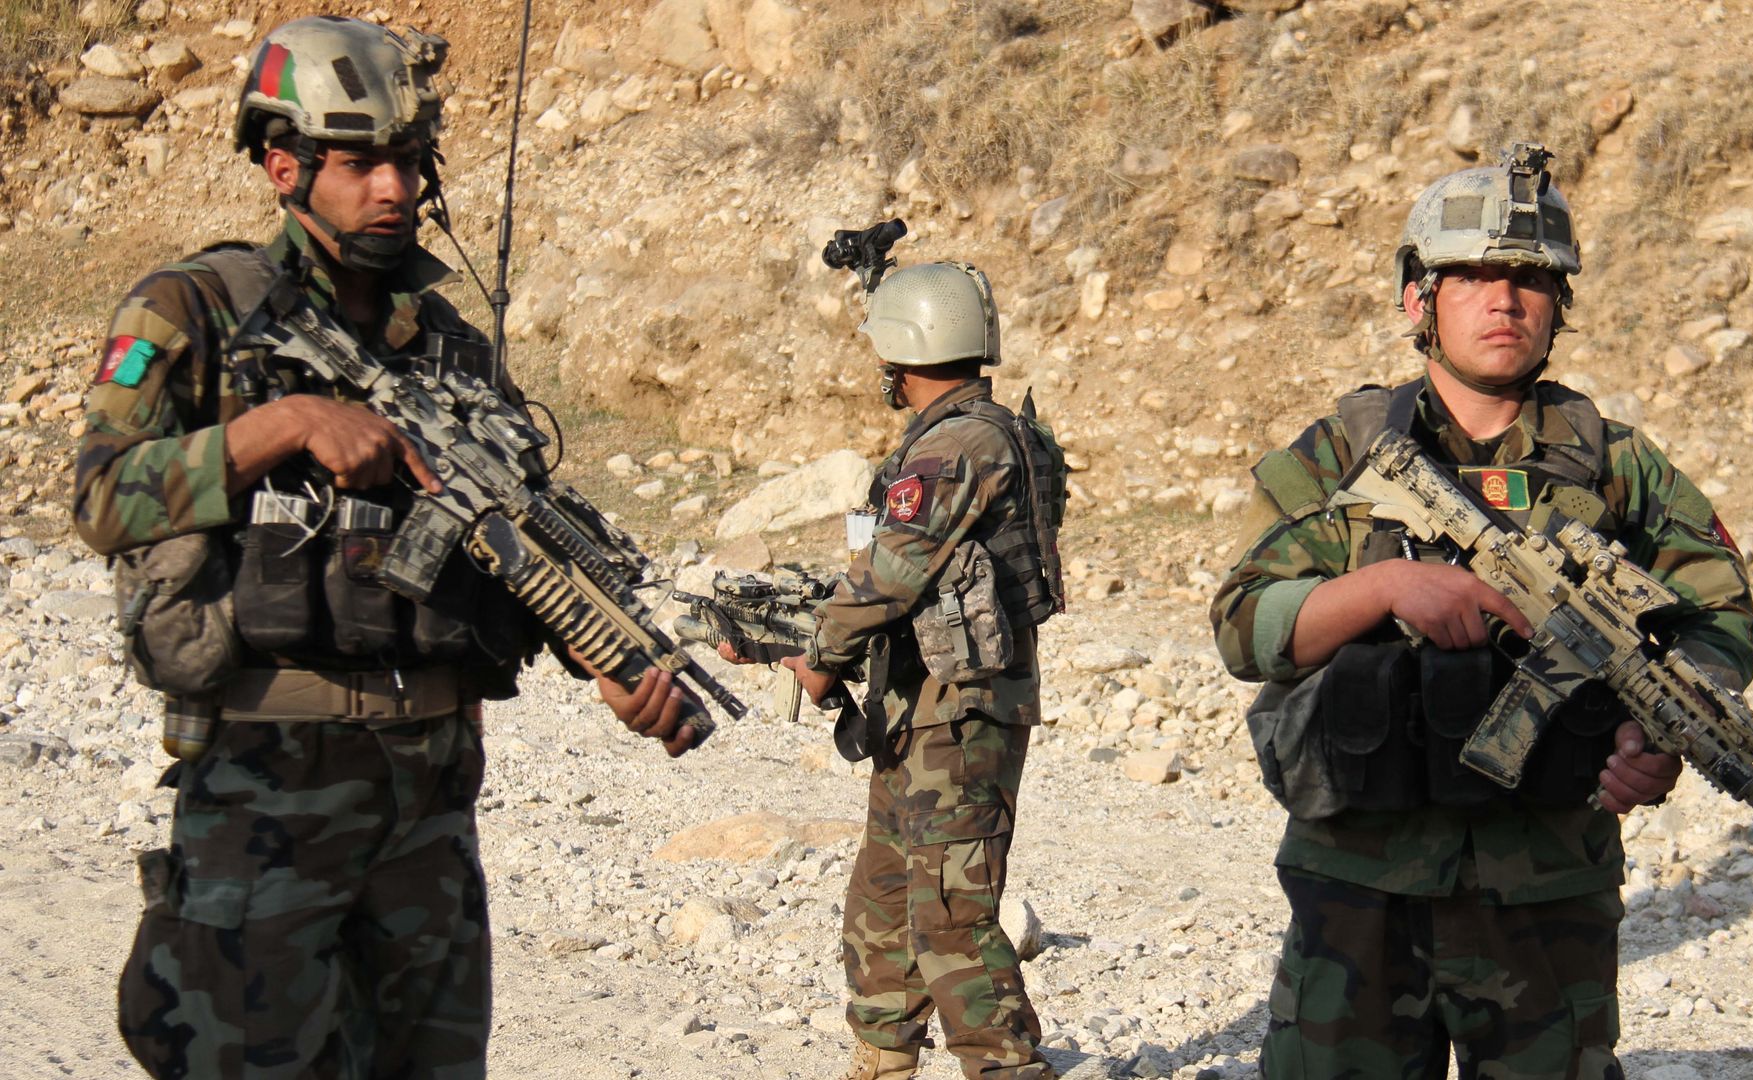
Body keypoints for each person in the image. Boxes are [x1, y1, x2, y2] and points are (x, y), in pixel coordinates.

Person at [72, 16, 689, 1078]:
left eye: (408, 161)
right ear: (283, 165)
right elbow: (100, 497)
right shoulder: (196, 310)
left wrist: (617, 667)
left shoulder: (448, 341)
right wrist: (282, 426)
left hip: (431, 797)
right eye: (359, 163)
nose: (394, 188)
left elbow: (513, 538)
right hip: (269, 784)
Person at [1209, 143, 1753, 1079]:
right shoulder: (1346, 451)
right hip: (1359, 887)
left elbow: (1718, 616)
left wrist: (1656, 733)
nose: (1505, 302)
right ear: (1420, 301)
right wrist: (1385, 587)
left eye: (1531, 280)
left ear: (1559, 308)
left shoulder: (1619, 464)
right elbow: (1245, 623)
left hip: (1545, 891)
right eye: (1473, 278)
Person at [737, 260, 1068, 1080]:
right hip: (918, 711)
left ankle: (1007, 1068)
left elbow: (889, 578)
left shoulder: (958, 446)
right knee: (884, 905)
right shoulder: (973, 434)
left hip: (958, 717)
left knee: (952, 917)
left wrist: (815, 663)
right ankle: (881, 1060)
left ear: (899, 354)